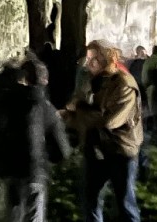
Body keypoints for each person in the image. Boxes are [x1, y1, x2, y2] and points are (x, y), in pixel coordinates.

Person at [62, 40, 142, 222]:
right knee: (90, 200)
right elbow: (78, 107)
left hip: (120, 150)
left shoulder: (124, 83)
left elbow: (111, 121)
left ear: (108, 58)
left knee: (125, 204)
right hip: (96, 149)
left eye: (94, 59)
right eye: (88, 59)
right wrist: (68, 115)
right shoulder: (92, 81)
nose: (89, 63)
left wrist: (80, 111)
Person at [0, 56, 70, 222]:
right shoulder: (48, 109)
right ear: (45, 80)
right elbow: (62, 150)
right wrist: (47, 160)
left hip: (11, 170)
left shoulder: (6, 103)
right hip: (35, 172)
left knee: (13, 215)